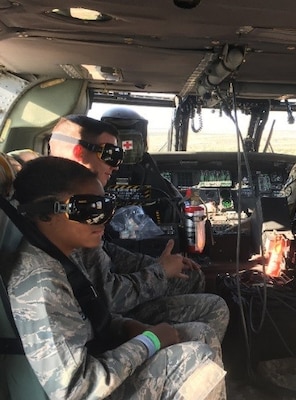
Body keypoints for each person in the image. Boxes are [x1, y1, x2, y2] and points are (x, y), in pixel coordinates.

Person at [4, 156, 226, 399]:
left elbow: (90, 314)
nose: (105, 219)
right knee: (197, 360)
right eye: (89, 209)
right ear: (45, 212)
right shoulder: (42, 282)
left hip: (96, 356)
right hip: (87, 388)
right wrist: (149, 340)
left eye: (107, 207)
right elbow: (77, 389)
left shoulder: (63, 253)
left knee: (199, 334)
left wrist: (126, 327)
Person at [48, 114, 229, 343]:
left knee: (190, 276)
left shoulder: (76, 200)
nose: (116, 166)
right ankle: (181, 357)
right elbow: (108, 296)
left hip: (108, 300)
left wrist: (157, 264)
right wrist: (160, 272)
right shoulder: (70, 207)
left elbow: (106, 252)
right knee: (216, 307)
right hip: (107, 313)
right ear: (79, 152)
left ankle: (184, 348)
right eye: (111, 155)